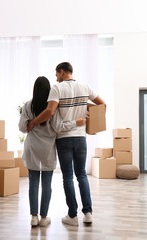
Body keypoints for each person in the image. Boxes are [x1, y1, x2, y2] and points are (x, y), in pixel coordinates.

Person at [28, 63, 106, 226]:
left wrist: (34, 122)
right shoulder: (85, 86)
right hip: (80, 138)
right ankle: (88, 213)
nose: (56, 78)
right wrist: (89, 118)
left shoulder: (57, 88)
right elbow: (102, 105)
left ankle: (72, 216)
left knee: (68, 176)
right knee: (82, 175)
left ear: (62, 72)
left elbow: (49, 112)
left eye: (56, 74)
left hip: (64, 138)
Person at [19, 76, 85, 227]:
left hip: (32, 148)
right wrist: (76, 122)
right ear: (49, 90)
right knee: (47, 184)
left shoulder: (28, 106)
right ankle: (43, 218)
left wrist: (30, 123)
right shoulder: (52, 109)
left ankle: (33, 217)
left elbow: (22, 128)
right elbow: (58, 127)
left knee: (33, 182)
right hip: (48, 149)